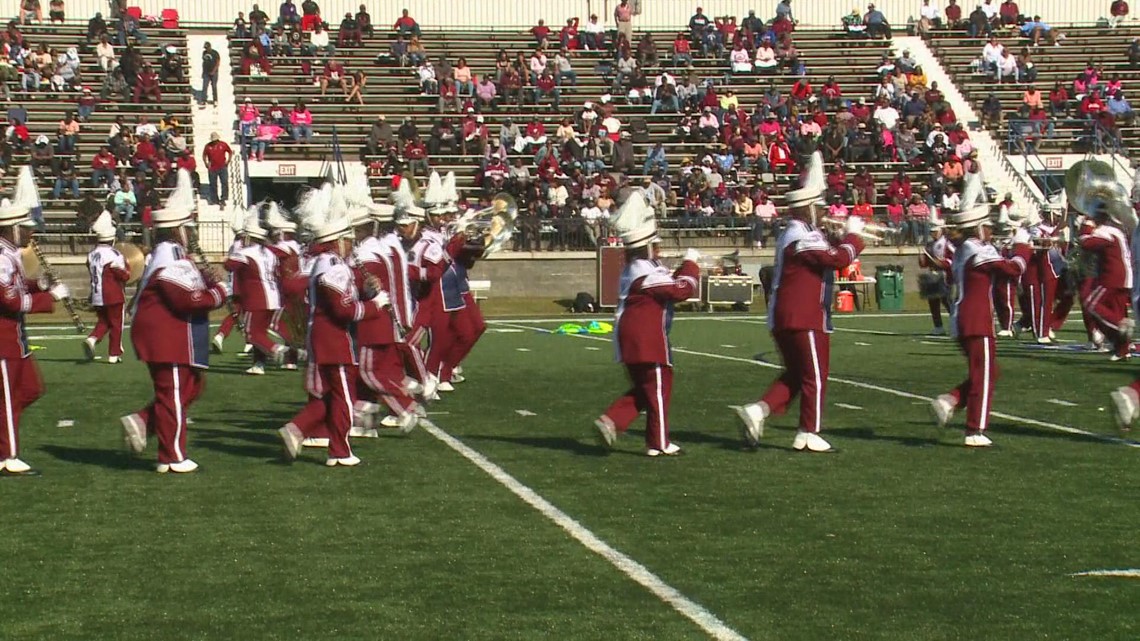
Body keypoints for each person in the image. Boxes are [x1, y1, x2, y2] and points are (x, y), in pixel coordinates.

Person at [733, 153, 866, 453]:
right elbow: (835, 260)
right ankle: (808, 432)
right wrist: (854, 239)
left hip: (792, 315)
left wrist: (841, 237)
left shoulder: (802, 233)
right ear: (808, 208)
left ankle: (758, 411)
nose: (822, 212)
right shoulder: (799, 233)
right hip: (801, 316)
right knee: (815, 375)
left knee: (797, 375)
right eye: (818, 207)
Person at [121, 170, 232, 473]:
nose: (191, 233)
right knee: (172, 395)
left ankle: (144, 421)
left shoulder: (176, 255)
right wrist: (220, 292)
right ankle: (171, 456)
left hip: (175, 335)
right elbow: (188, 299)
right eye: (188, 228)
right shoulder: (169, 256)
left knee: (191, 387)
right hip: (166, 337)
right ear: (177, 230)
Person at [278, 182, 391, 466]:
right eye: (348, 239)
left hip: (326, 337)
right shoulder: (333, 265)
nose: (352, 244)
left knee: (333, 394)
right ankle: (338, 450)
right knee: (343, 396)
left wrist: (365, 289)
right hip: (334, 339)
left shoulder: (327, 263)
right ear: (338, 240)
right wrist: (374, 306)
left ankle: (298, 429)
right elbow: (343, 310)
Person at [593, 192, 699, 457]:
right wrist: (691, 264)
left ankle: (612, 421)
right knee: (659, 386)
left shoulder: (639, 269)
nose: (659, 249)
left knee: (647, 389)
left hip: (633, 338)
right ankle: (658, 442)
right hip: (645, 338)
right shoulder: (644, 270)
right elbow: (681, 290)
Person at [930, 188, 1032, 447]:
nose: (990, 230)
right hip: (976, 319)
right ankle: (974, 429)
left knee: (988, 371)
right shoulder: (976, 249)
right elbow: (1014, 268)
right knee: (984, 374)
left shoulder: (966, 248)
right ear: (977, 229)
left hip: (965, 317)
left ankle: (951, 400)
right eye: (986, 226)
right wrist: (1023, 245)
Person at [0, 167, 68, 475]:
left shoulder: (10, 254)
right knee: (8, 395)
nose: (30, 233)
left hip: (16, 337)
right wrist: (48, 299)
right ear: (11, 229)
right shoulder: (1, 256)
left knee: (29, 388)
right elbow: (9, 299)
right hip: (3, 336)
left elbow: (16, 287)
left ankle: (5, 435)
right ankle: (7, 457)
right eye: (25, 228)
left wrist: (38, 284)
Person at [347, 201, 419, 433]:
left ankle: (405, 407)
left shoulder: (366, 254)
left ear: (362, 230)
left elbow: (362, 288)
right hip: (382, 319)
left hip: (372, 322)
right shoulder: (377, 249)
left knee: (369, 373)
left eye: (353, 230)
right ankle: (365, 423)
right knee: (366, 374)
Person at [224, 212, 285, 375]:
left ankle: (278, 350)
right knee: (260, 333)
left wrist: (234, 252)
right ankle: (259, 364)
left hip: (257, 299)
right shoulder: (270, 253)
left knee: (250, 333)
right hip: (273, 298)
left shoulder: (246, 253)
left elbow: (229, 265)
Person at [1078, 212, 1134, 360]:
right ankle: (1122, 350)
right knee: (1117, 310)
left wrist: (1086, 225)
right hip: (1123, 276)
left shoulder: (1105, 232)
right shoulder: (1116, 231)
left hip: (1112, 276)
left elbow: (1085, 242)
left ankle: (1120, 326)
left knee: (1091, 303)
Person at [83, 210, 130, 363]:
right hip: (113, 294)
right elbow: (123, 275)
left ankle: (92, 338)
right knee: (116, 324)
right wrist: (129, 268)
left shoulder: (91, 254)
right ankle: (114, 354)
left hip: (97, 294)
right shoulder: (114, 254)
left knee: (104, 321)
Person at [919, 222, 953, 335]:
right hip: (932, 275)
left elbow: (954, 259)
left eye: (935, 232)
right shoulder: (929, 245)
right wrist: (922, 260)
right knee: (933, 302)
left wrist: (942, 263)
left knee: (947, 301)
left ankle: (956, 324)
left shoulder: (947, 243)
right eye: (931, 232)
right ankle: (938, 326)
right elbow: (925, 264)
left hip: (944, 276)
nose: (933, 234)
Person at [202, 132, 232, 206]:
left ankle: (224, 198)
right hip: (212, 168)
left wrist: (228, 161)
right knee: (213, 184)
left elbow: (230, 152)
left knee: (224, 182)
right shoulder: (208, 146)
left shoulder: (223, 144)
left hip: (222, 166)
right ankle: (214, 199)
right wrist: (206, 163)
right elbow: (204, 155)